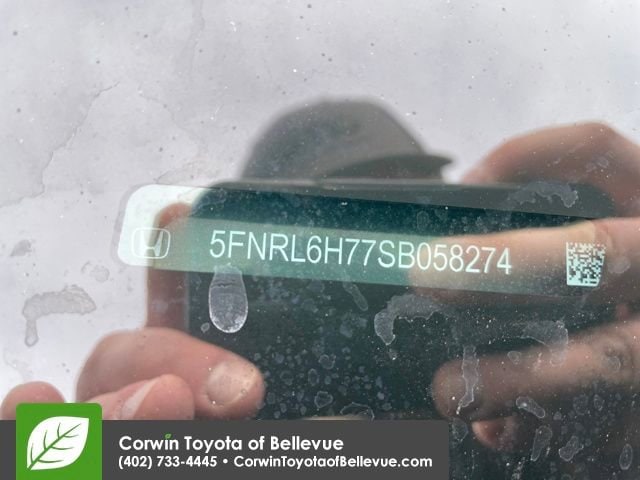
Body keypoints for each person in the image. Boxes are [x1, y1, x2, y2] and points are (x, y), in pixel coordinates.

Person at [3, 101, 640, 475]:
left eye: (416, 226)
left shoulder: (558, 443)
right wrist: (139, 457)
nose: (387, 288)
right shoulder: (227, 453)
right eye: (324, 285)